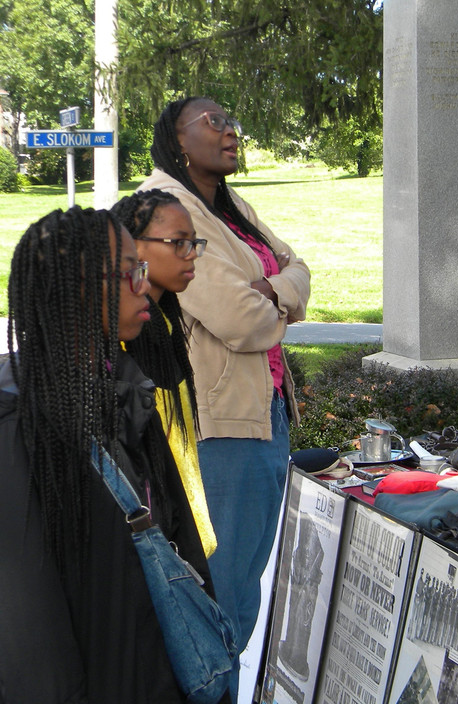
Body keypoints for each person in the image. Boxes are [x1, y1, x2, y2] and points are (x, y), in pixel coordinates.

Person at [0, 207, 223, 703]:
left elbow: (178, 546)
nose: (143, 286)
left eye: (141, 270)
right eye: (128, 272)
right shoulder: (20, 427)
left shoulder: (122, 391)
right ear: (73, 287)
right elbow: (30, 634)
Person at [139, 97, 310, 685]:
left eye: (233, 118)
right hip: (219, 428)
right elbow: (241, 320)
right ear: (178, 140)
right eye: (213, 121)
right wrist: (272, 295)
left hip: (263, 415)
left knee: (238, 594)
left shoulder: (231, 205)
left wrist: (272, 290)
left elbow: (300, 269)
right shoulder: (170, 210)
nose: (231, 129)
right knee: (222, 598)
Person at [113, 188, 217, 558]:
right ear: (133, 248)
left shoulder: (167, 326)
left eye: (194, 243)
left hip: (183, 529)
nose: (191, 256)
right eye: (178, 243)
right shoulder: (124, 347)